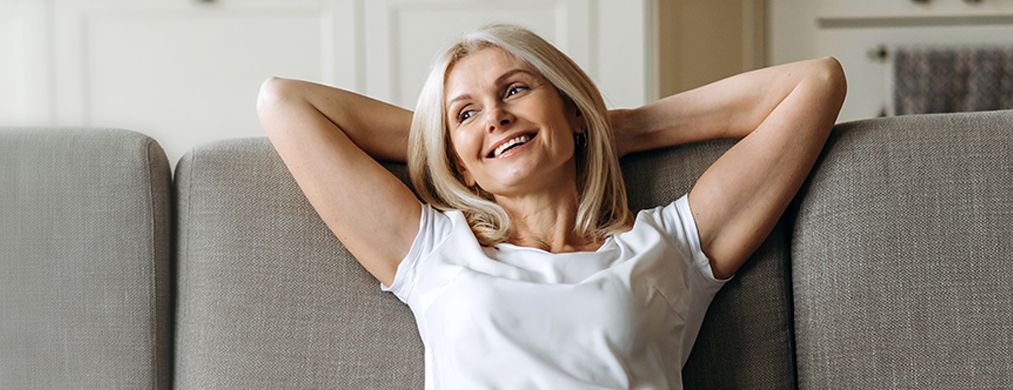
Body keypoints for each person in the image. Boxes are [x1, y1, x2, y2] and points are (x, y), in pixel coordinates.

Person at [255, 24, 845, 389]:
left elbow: (816, 83)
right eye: (465, 113)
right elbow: (284, 102)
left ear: (571, 113)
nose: (495, 115)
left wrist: (616, 128)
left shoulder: (666, 249)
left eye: (514, 90)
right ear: (455, 161)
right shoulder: (433, 252)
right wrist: (460, 144)